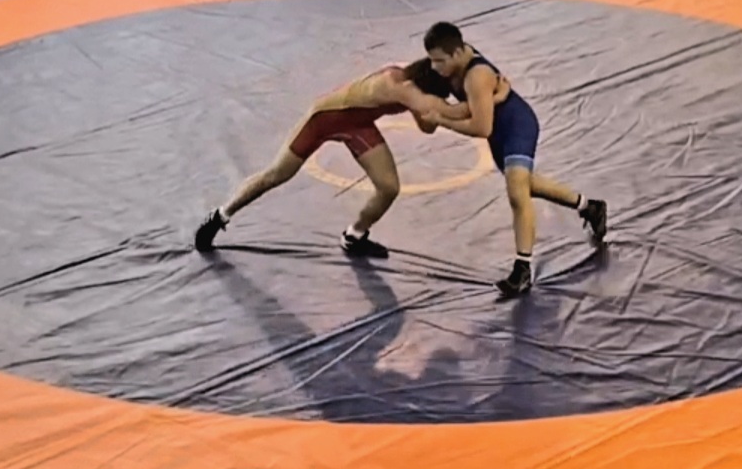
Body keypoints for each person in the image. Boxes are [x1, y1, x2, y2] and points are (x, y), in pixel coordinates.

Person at [194, 59, 494, 257]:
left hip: (359, 126)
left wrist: (438, 110)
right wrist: (487, 95)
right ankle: (220, 215)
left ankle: (354, 236)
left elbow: (428, 125)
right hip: (323, 120)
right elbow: (445, 112)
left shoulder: (417, 91)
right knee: (276, 174)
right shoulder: (399, 85)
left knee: (389, 187)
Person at [419, 22, 607, 296]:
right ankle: (589, 206)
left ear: (458, 52)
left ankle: (522, 270)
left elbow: (481, 127)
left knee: (517, 195)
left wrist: (442, 119)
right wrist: (491, 100)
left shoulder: (476, 75)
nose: (435, 67)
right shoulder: (453, 61)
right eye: (432, 60)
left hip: (517, 127)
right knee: (526, 185)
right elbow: (471, 108)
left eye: (439, 61)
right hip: (500, 135)